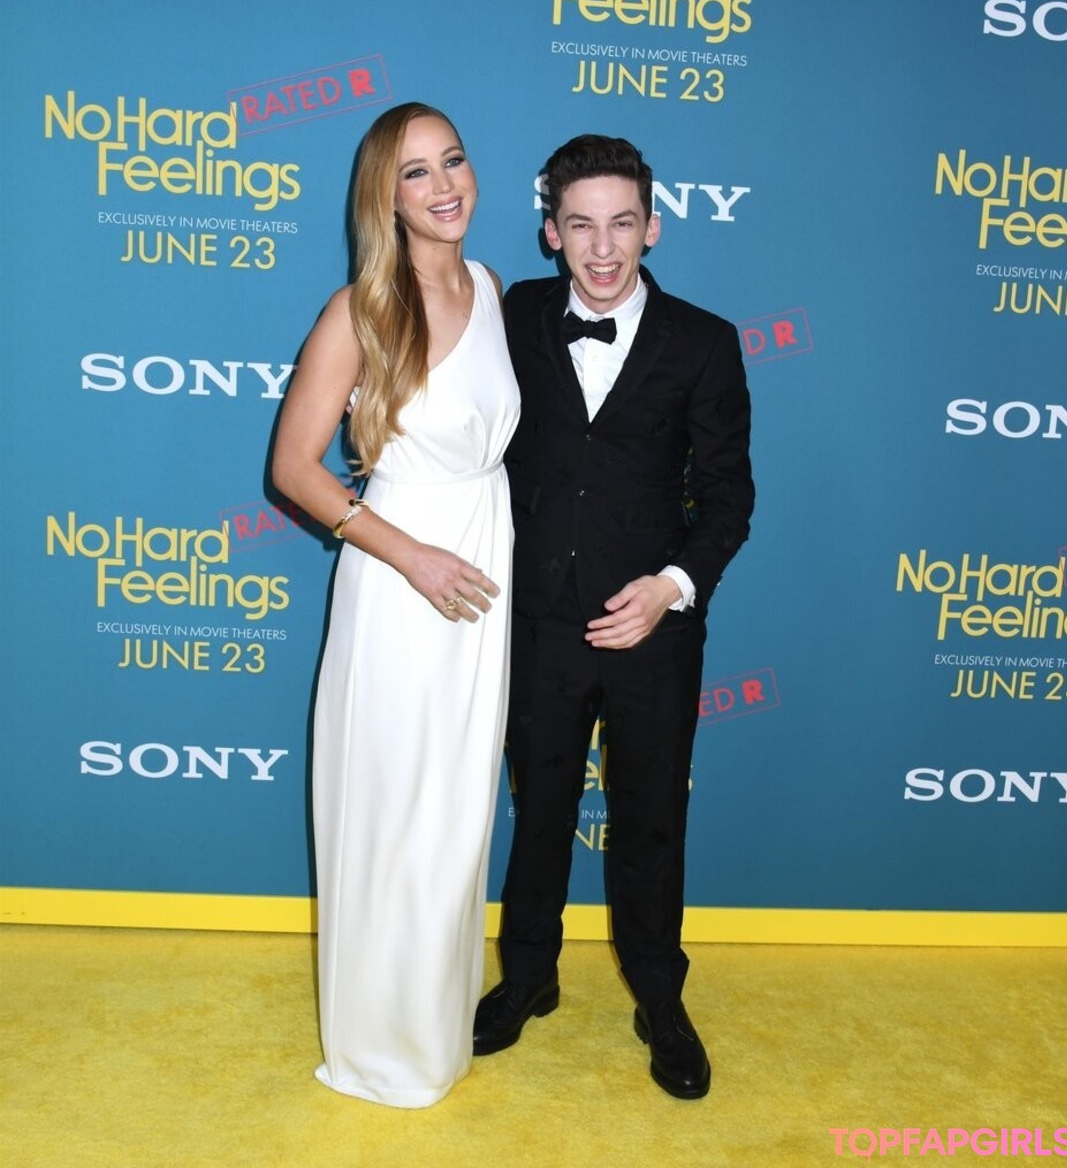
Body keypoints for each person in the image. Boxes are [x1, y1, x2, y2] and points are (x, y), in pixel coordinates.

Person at [473, 134, 753, 1100]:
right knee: (539, 811)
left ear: (653, 227)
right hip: (539, 621)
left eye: (622, 224)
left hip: (655, 630)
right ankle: (528, 978)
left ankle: (660, 1000)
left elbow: (729, 497)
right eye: (581, 225)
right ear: (551, 231)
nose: (603, 248)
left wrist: (670, 585)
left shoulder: (705, 340)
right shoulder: (512, 314)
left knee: (651, 819)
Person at [272, 102, 520, 1107]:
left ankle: (432, 1024)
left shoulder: (491, 288)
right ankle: (383, 1049)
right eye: (416, 172)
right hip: (400, 578)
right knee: (397, 806)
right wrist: (411, 556)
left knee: (456, 811)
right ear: (387, 198)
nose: (444, 184)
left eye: (452, 160)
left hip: (485, 567)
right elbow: (294, 468)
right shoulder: (360, 310)